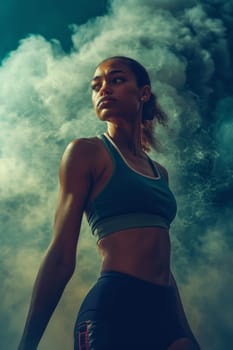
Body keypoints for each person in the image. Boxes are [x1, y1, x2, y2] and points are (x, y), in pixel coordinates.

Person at [18, 56, 201, 350]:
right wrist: (27, 344)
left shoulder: (159, 173)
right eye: (96, 85)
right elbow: (61, 256)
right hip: (112, 310)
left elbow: (159, 256)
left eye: (116, 80)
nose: (104, 89)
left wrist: (186, 332)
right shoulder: (85, 153)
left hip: (165, 314)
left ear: (143, 92)